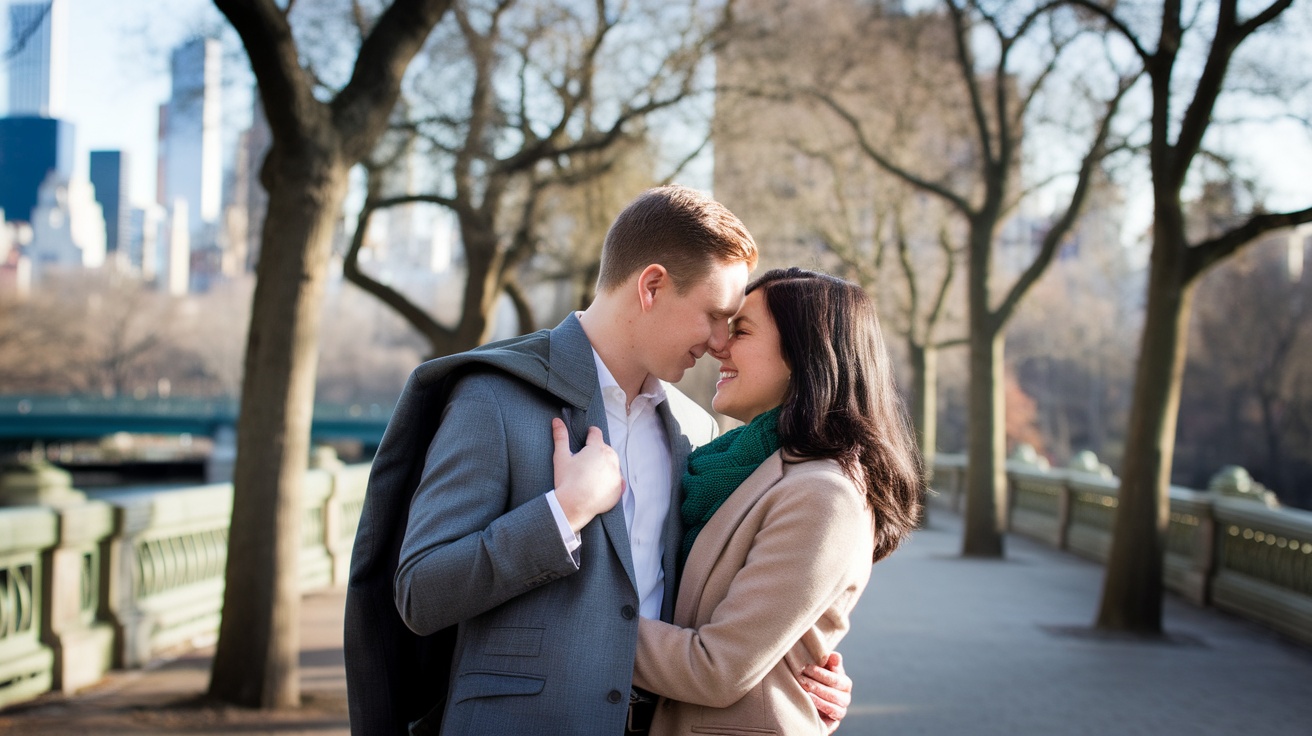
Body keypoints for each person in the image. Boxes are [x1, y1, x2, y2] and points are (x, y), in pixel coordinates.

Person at [343, 186, 851, 735]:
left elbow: (719, 607)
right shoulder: (494, 398)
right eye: (713, 314)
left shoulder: (696, 430)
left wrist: (794, 673)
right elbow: (420, 592)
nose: (718, 341)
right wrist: (562, 512)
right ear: (652, 286)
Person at [600, 268, 923, 734]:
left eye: (741, 331)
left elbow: (718, 667)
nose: (718, 346)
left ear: (805, 354)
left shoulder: (823, 495)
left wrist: (577, 619)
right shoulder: (722, 466)